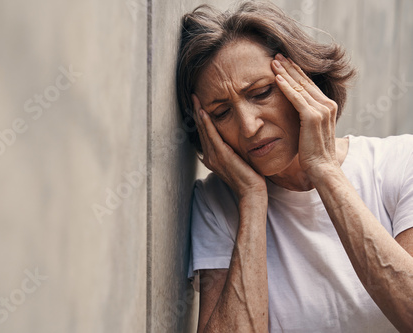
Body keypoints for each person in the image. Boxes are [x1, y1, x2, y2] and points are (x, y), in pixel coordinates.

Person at [176, 1, 413, 332]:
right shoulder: (218, 201)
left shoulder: (400, 162)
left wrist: (324, 170)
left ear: (306, 81)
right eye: (221, 113)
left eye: (260, 93)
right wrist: (252, 200)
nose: (248, 126)